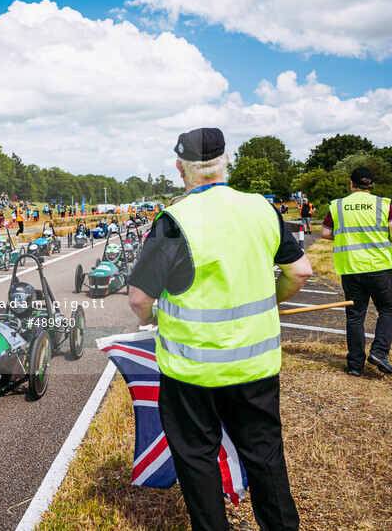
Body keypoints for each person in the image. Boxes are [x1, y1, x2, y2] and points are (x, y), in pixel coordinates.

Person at [127, 128, 312, 531]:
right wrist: (268, 301)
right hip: (256, 365)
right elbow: (300, 272)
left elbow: (140, 299)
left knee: (197, 459)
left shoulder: (173, 220)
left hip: (191, 372)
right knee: (265, 455)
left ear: (181, 169)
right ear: (227, 161)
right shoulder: (262, 209)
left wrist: (153, 320)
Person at [321, 166, 392, 376]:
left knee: (355, 316)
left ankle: (355, 366)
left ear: (351, 184)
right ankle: (379, 351)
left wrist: (344, 236)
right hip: (379, 267)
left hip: (351, 268)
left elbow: (325, 233)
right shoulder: (383, 204)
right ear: (372, 185)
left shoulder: (337, 206)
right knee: (388, 309)